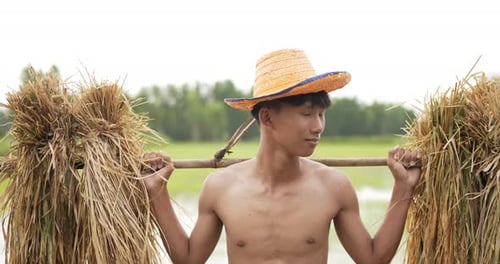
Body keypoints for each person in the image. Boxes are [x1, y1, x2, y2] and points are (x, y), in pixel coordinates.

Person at [144, 48, 422, 264]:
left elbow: (372, 259)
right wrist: (158, 193)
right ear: (267, 117)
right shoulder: (220, 187)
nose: (318, 127)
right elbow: (188, 259)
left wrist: (403, 187)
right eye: (307, 114)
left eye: (322, 114)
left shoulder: (334, 186)